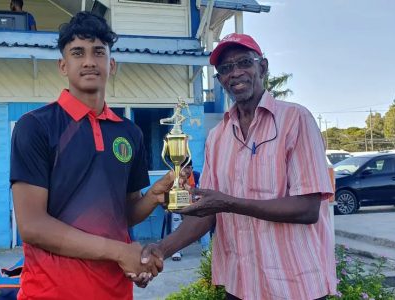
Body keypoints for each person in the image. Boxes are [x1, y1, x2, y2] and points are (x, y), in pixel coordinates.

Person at [141, 33, 337, 300]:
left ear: (263, 67)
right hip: (241, 286)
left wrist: (228, 203)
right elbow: (208, 212)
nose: (235, 73)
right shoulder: (217, 137)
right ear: (220, 79)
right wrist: (161, 249)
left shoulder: (296, 120)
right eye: (225, 69)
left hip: (295, 285)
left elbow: (307, 208)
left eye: (244, 62)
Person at [10, 12, 171, 299]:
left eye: (98, 52)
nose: (88, 61)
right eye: (77, 53)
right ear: (63, 65)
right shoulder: (35, 126)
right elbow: (32, 225)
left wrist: (154, 196)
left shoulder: (130, 133)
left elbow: (123, 215)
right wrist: (121, 251)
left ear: (112, 64)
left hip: (116, 291)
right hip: (50, 292)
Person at [170, 159, 210, 261]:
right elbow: (170, 195)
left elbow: (202, 193)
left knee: (204, 220)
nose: (187, 170)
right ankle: (176, 251)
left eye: (189, 167)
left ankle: (206, 249)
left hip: (194, 206)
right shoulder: (174, 177)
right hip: (179, 206)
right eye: (184, 168)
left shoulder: (197, 176)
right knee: (175, 220)